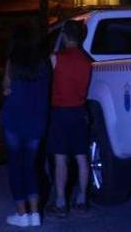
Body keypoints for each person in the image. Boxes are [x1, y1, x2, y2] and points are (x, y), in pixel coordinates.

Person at [1, 25, 51, 227]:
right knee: (31, 165)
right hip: (37, 119)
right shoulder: (44, 63)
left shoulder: (12, 62)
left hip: (14, 119)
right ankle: (35, 213)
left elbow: (6, 89)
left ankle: (22, 215)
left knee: (15, 166)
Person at [45, 20, 93, 218]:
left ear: (64, 36)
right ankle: (81, 200)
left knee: (61, 158)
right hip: (79, 111)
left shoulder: (55, 58)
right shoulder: (87, 60)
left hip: (60, 113)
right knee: (82, 158)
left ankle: (61, 202)